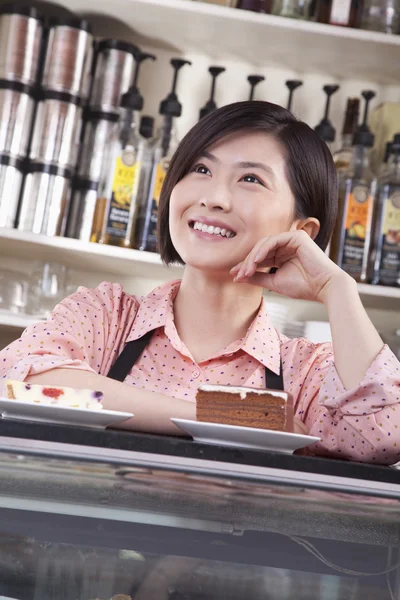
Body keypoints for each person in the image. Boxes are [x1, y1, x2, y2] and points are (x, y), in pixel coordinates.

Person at [1, 101, 399, 464]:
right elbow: (23, 378)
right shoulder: (106, 316)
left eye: (250, 180)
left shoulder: (306, 372)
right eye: (201, 169)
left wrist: (337, 288)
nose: (214, 198)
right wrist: (231, 418)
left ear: (301, 230)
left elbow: (384, 435)